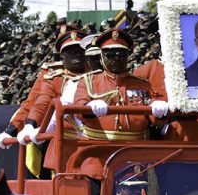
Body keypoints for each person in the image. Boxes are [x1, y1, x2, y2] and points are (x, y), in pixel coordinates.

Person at [71, 30, 168, 181]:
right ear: (101, 56)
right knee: (95, 194)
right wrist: (89, 107)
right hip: (98, 155)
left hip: (134, 157)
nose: (116, 59)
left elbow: (155, 117)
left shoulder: (141, 84)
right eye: (110, 55)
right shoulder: (89, 81)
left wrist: (159, 110)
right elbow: (79, 106)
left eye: (121, 54)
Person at [0, 28, 87, 151]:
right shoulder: (53, 75)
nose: (77, 54)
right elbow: (35, 102)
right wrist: (14, 129)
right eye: (70, 51)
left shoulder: (99, 73)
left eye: (80, 50)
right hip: (56, 135)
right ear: (62, 55)